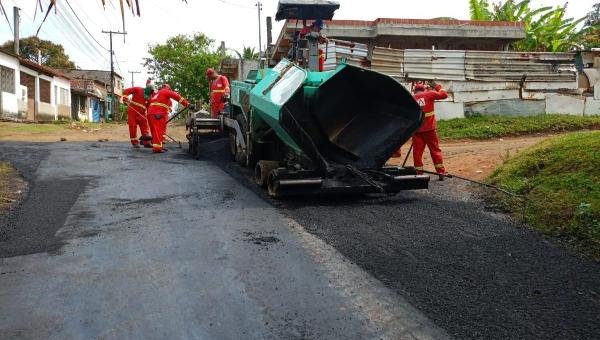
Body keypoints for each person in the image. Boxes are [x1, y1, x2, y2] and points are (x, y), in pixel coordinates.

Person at [412, 82, 448, 180]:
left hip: (417, 131)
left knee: (417, 153)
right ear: (424, 89)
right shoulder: (429, 93)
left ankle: (419, 174)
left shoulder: (412, 98)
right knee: (435, 151)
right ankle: (441, 173)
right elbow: (444, 95)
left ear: (415, 90)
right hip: (430, 130)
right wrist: (437, 86)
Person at [146, 84, 189, 153]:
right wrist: (186, 103)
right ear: (168, 88)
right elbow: (177, 96)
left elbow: (148, 103)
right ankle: (157, 148)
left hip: (151, 113)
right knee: (158, 131)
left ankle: (159, 146)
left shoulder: (157, 94)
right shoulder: (165, 91)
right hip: (157, 113)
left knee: (156, 131)